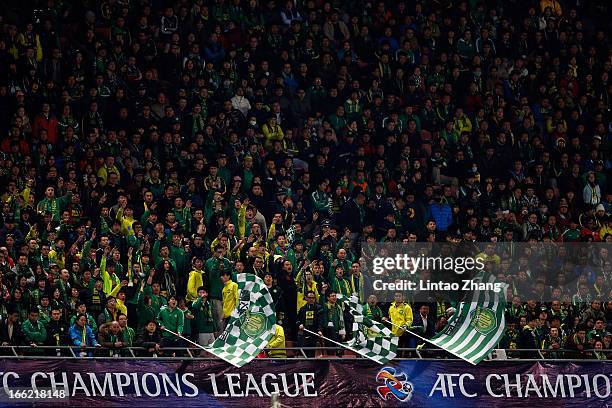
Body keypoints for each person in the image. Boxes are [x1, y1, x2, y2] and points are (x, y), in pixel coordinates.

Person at [296, 290, 321, 357]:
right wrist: (299, 324)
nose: (312, 299)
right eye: (310, 298)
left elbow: (320, 321)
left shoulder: (318, 308)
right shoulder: (302, 309)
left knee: (312, 353)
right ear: (306, 298)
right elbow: (297, 320)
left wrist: (319, 330)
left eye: (313, 298)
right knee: (305, 353)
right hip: (305, 333)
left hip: (314, 333)